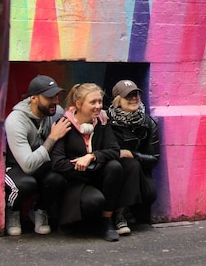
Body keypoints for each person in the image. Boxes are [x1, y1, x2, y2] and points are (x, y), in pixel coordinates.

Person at [51, 83, 127, 241]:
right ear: (78, 104)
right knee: (95, 200)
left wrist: (91, 157)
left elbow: (114, 150)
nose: (98, 106)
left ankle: (107, 221)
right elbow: (57, 163)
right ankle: (74, 221)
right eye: (93, 102)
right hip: (75, 181)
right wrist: (87, 167)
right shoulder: (64, 124)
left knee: (115, 167)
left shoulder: (102, 122)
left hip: (95, 176)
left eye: (100, 102)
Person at [4, 74, 71, 236]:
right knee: (25, 184)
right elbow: (27, 165)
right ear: (33, 98)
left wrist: (99, 116)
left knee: (58, 178)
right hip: (15, 167)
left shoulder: (56, 113)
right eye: (49, 97)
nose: (55, 101)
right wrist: (52, 137)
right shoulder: (16, 121)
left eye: (56, 96)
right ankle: (12, 211)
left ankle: (39, 209)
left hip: (41, 164)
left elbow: (77, 117)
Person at [108, 80, 161, 229]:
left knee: (149, 191)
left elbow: (154, 158)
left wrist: (132, 154)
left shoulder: (148, 123)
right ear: (118, 102)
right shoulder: (105, 120)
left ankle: (126, 210)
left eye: (136, 94)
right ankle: (119, 214)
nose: (134, 98)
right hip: (112, 167)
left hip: (136, 169)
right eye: (128, 96)